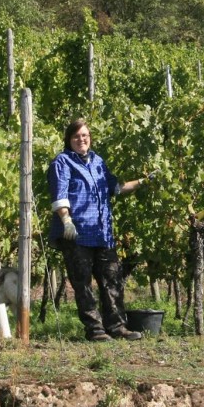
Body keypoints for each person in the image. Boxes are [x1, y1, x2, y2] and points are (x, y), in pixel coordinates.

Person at [48, 118, 151, 342]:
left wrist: (143, 181)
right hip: (76, 233)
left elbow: (115, 187)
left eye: (85, 135)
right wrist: (66, 220)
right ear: (69, 139)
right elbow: (60, 194)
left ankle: (117, 327)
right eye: (76, 136)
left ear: (90, 138)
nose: (81, 139)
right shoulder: (62, 162)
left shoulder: (98, 162)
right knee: (82, 283)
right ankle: (95, 330)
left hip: (102, 232)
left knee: (112, 279)